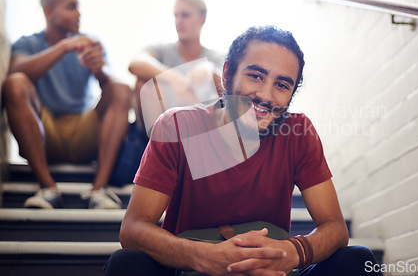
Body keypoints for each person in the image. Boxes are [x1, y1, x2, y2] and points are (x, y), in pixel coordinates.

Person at [104, 26, 381, 275]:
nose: (266, 95)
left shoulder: (299, 132)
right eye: (255, 76)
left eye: (282, 85)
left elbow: (335, 227)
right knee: (126, 264)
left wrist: (291, 254)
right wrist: (205, 257)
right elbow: (133, 229)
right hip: (192, 269)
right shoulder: (176, 126)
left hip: (268, 271)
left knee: (357, 261)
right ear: (227, 74)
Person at [2, 0, 131, 209]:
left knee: (120, 87)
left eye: (79, 7)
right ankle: (47, 188)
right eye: (71, 7)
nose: (79, 13)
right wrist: (64, 47)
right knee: (15, 83)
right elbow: (15, 71)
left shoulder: (89, 43)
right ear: (49, 11)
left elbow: (112, 81)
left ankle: (98, 190)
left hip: (83, 131)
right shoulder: (29, 43)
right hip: (45, 131)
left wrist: (100, 69)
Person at [128, 0, 223, 135]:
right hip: (161, 127)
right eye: (176, 16)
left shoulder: (215, 57)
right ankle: (160, 148)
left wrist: (209, 69)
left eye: (185, 15)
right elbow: (135, 63)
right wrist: (173, 77)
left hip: (202, 131)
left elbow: (231, 86)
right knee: (143, 83)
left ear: (203, 18)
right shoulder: (162, 50)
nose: (179, 21)